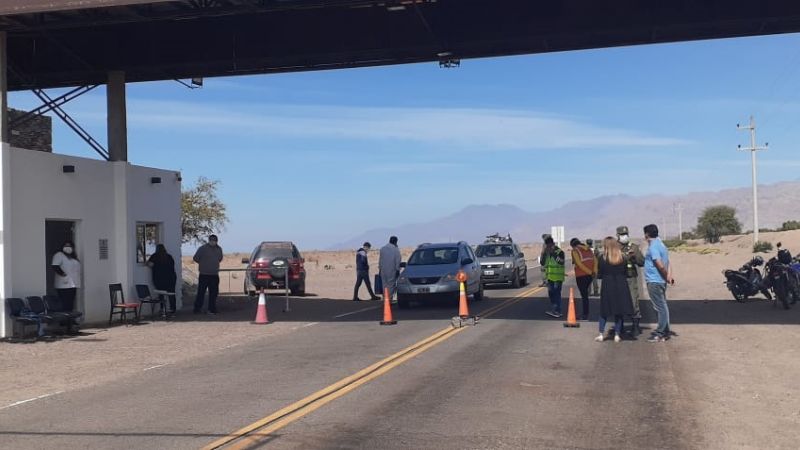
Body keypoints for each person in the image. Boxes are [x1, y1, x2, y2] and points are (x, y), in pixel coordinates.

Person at [595, 237, 634, 343]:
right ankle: (617, 335)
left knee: (604, 310)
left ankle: (601, 334)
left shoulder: (602, 258)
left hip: (607, 285)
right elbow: (627, 272)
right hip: (621, 285)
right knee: (619, 311)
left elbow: (599, 274)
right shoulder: (623, 257)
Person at [643, 224, 674, 342]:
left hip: (655, 281)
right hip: (660, 280)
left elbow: (659, 264)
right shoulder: (662, 244)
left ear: (646, 234)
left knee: (660, 307)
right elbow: (669, 261)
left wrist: (666, 276)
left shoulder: (653, 247)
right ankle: (665, 331)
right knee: (663, 306)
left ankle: (661, 333)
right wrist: (669, 276)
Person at [617, 225, 645, 335]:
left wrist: (634, 257)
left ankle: (635, 326)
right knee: (619, 302)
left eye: (626, 234)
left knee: (634, 301)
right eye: (622, 235)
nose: (624, 236)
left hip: (631, 278)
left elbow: (642, 262)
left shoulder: (634, 247)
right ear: (618, 236)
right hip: (618, 278)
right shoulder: (614, 248)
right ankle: (620, 326)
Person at [193, 234, 223, 315]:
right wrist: (203, 263)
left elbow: (220, 258)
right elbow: (195, 258)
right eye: (211, 240)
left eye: (215, 240)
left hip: (214, 274)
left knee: (214, 293)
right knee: (201, 292)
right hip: (204, 274)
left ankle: (212, 309)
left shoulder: (219, 249)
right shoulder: (202, 249)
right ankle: (197, 308)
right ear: (209, 240)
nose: (213, 241)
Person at [570, 238, 597, 321]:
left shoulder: (575, 251)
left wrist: (589, 272)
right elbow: (595, 261)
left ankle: (585, 315)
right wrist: (594, 272)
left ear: (572, 245)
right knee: (585, 296)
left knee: (584, 296)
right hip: (590, 276)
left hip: (581, 275)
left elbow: (578, 263)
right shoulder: (589, 250)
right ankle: (585, 313)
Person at [147, 244, 178, 315]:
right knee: (171, 294)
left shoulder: (155, 256)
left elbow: (150, 265)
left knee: (161, 294)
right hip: (171, 278)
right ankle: (173, 309)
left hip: (159, 278)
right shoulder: (169, 257)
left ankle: (162, 308)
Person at [51, 240, 81, 312]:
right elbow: (55, 266)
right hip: (63, 284)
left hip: (73, 284)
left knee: (70, 303)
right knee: (64, 303)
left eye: (69, 246)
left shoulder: (73, 257)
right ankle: (64, 321)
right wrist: (63, 274)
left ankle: (70, 319)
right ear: (62, 247)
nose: (68, 248)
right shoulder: (59, 255)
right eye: (66, 246)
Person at [540, 236, 565, 318]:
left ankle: (558, 311)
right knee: (551, 294)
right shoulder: (547, 253)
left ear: (552, 244)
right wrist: (543, 253)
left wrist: (553, 253)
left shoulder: (560, 252)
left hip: (557, 278)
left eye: (548, 246)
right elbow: (543, 263)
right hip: (550, 277)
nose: (547, 247)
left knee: (557, 294)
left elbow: (561, 262)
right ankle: (554, 309)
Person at [379, 236, 401, 301]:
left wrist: (380, 269)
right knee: (391, 285)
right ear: (395, 242)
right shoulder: (396, 250)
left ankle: (385, 299)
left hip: (383, 270)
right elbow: (398, 260)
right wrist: (397, 270)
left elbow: (380, 260)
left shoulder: (382, 249)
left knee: (384, 285)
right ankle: (389, 300)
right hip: (392, 270)